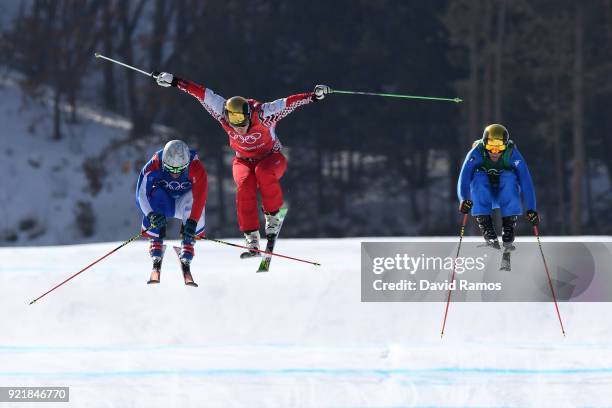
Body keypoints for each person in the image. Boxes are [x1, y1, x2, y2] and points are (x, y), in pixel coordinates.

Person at [153, 70, 330, 254]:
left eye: (242, 123)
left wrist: (314, 96)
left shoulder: (264, 114)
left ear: (248, 115)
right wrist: (173, 81)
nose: (239, 129)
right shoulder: (222, 112)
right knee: (244, 185)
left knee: (262, 172)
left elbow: (289, 103)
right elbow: (200, 93)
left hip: (271, 158)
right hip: (243, 161)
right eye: (234, 124)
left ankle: (272, 215)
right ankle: (251, 237)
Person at [136, 139, 208, 285]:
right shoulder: (154, 164)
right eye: (170, 169)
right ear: (163, 162)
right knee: (155, 193)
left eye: (180, 170)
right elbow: (140, 194)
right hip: (164, 203)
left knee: (194, 199)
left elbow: (201, 196)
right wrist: (151, 215)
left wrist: (192, 221)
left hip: (184, 204)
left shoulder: (196, 167)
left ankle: (188, 243)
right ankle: (155, 241)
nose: (175, 173)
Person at [457, 124, 539, 249]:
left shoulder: (512, 155)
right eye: (490, 146)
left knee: (509, 176)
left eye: (500, 147)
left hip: (506, 195)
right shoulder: (476, 153)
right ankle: (486, 226)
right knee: (478, 176)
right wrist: (463, 199)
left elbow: (526, 182)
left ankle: (508, 226)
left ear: (505, 145)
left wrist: (531, 209)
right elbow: (464, 178)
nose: (495, 152)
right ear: (484, 144)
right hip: (483, 196)